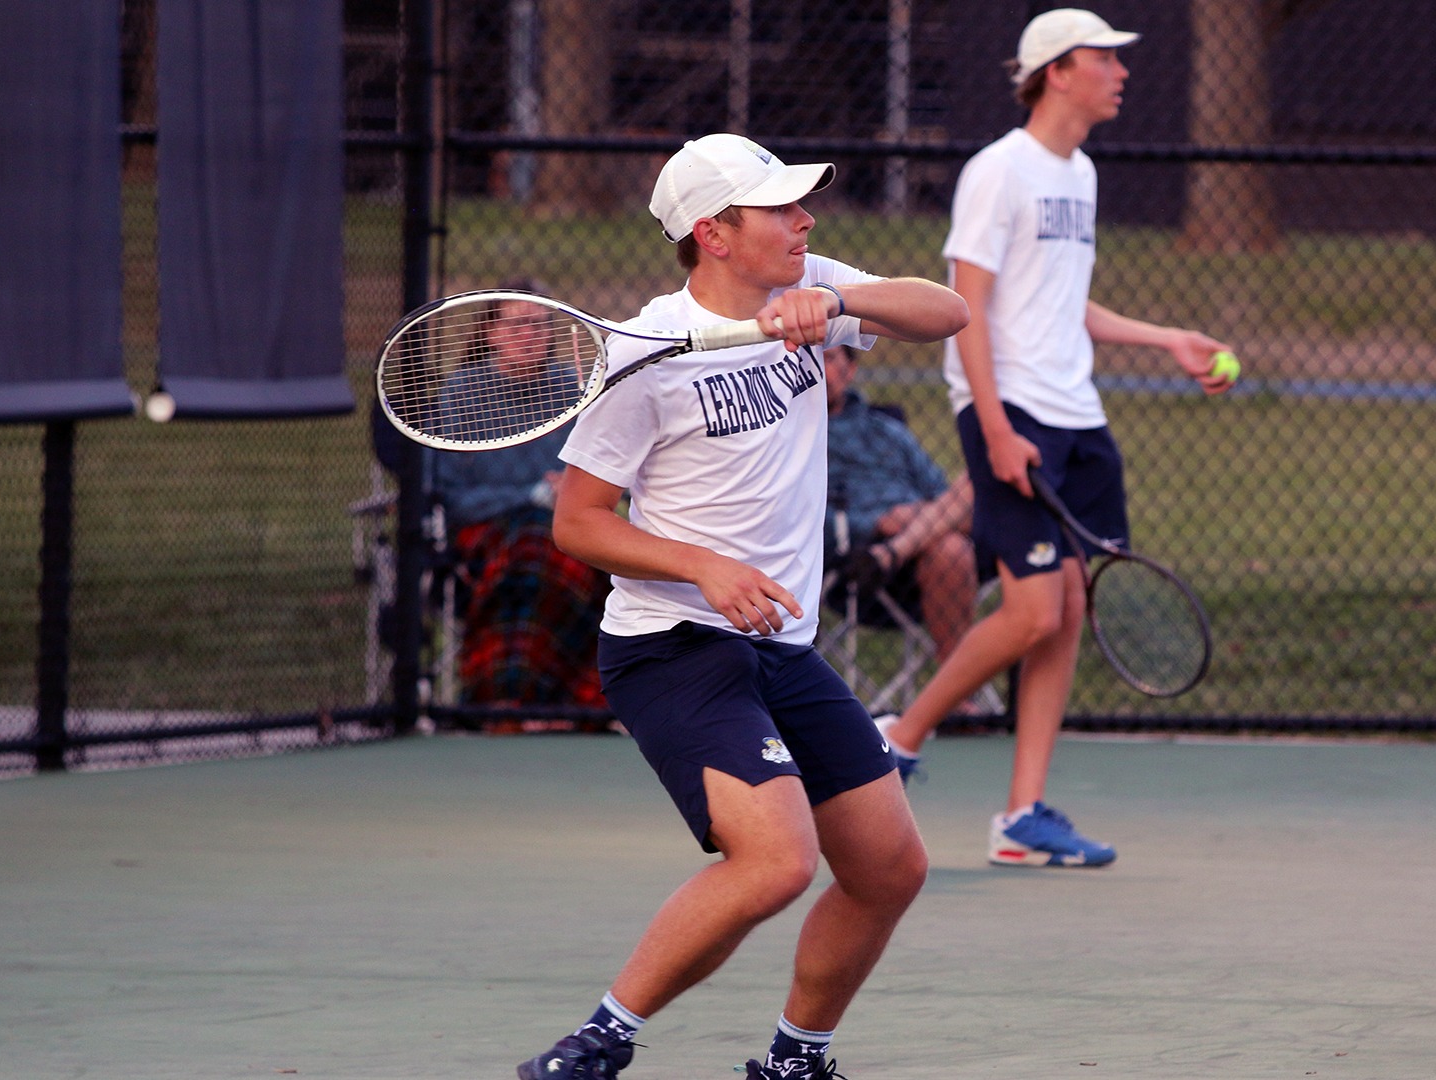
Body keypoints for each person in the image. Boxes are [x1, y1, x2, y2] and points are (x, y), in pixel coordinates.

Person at [517, 134, 968, 1080]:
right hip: (674, 643)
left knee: (890, 869)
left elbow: (949, 310)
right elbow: (579, 522)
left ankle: (794, 1062)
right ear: (714, 235)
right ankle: (602, 1038)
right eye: (780, 209)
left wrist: (840, 301)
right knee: (775, 863)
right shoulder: (644, 355)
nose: (805, 221)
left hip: (781, 645)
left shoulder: (812, 288)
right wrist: (701, 567)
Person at [875, 9, 1237, 869]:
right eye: (1103, 59)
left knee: (1069, 608)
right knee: (1036, 604)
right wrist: (994, 427)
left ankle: (1022, 814)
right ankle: (900, 737)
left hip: (1081, 418)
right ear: (1056, 70)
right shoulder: (998, 171)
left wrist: (1168, 339)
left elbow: (1063, 302)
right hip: (1014, 415)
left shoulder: (1080, 174)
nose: (1120, 71)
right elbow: (968, 307)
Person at [433, 277, 607, 719]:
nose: (527, 337)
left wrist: (576, 493)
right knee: (530, 550)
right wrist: (528, 495)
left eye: (538, 326)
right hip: (488, 535)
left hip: (566, 531)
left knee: (556, 550)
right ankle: (506, 704)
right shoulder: (460, 394)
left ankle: (564, 706)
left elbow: (601, 476)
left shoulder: (574, 388)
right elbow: (453, 496)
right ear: (490, 332)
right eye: (515, 326)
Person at [823, 342, 978, 662]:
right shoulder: (787, 435)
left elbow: (941, 492)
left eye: (827, 358)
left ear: (850, 370)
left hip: (920, 542)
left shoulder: (889, 431)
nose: (815, 369)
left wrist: (914, 517)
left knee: (980, 478)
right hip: (857, 565)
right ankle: (958, 699)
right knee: (950, 549)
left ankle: (898, 548)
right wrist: (877, 522)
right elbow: (787, 515)